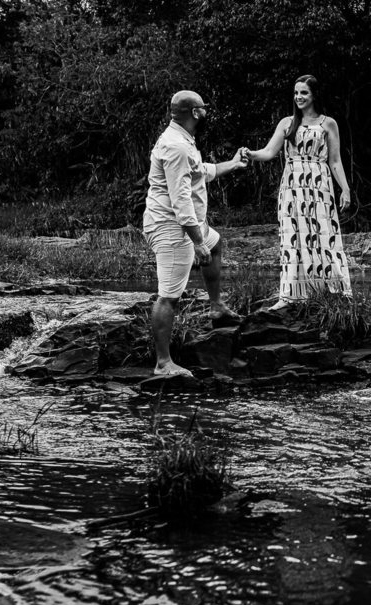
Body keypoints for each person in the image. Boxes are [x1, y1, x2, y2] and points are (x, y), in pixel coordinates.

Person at [143, 90, 249, 378]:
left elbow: (202, 171)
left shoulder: (182, 140)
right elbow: (180, 200)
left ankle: (216, 306)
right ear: (194, 113)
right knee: (169, 296)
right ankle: (163, 363)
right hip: (172, 228)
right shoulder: (176, 146)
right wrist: (196, 241)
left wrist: (234, 163)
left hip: (185, 224)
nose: (206, 111)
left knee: (216, 244)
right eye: (203, 107)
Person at [245, 75, 352, 311]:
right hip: (292, 185)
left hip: (319, 185)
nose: (299, 97)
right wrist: (251, 154)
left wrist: (345, 189)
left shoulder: (328, 123)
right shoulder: (287, 123)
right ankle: (290, 295)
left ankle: (331, 292)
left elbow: (335, 161)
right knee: (292, 237)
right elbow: (269, 152)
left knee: (323, 235)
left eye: (303, 93)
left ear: (314, 95)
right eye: (296, 93)